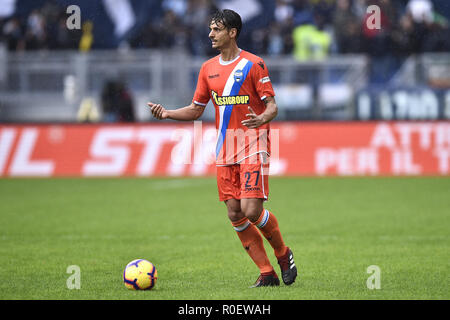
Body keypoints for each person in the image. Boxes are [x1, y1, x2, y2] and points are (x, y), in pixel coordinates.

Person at [148, 9, 297, 287]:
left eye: (216, 29)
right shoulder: (207, 69)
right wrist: (167, 113)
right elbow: (196, 110)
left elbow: (272, 106)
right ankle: (267, 274)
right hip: (226, 147)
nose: (210, 34)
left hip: (252, 142)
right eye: (210, 29)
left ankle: (283, 252)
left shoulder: (254, 64)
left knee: (251, 210)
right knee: (234, 213)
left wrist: (262, 118)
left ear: (232, 32)